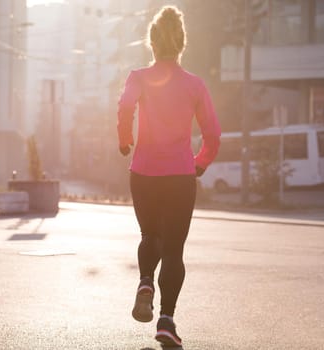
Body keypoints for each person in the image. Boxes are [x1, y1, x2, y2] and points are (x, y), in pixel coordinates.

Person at [117, 6, 221, 347]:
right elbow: (213, 133)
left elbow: (125, 106)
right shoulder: (194, 85)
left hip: (143, 171)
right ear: (181, 43)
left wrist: (125, 139)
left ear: (152, 42)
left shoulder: (138, 77)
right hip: (179, 175)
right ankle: (166, 320)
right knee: (174, 250)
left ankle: (145, 281)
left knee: (150, 235)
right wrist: (201, 162)